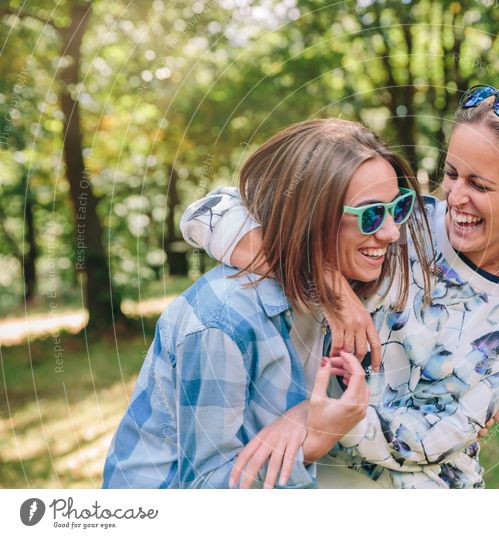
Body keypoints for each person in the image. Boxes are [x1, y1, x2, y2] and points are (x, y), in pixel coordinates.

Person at [182, 85, 499, 488]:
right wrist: (331, 288)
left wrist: (320, 419)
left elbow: (435, 437)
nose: (457, 196)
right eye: (452, 174)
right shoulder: (404, 219)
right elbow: (207, 215)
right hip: (312, 473)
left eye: (479, 184)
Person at [102, 118, 432, 488]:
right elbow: (205, 488)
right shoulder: (225, 320)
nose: (391, 232)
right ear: (311, 216)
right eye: (371, 215)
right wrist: (314, 439)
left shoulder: (354, 285)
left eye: (398, 208)